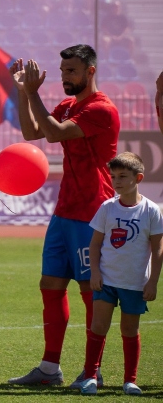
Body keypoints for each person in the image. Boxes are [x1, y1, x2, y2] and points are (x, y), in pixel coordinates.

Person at [7, 45, 120, 387]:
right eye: (62, 72)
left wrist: (33, 93)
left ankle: (92, 371)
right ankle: (49, 368)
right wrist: (21, 93)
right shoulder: (69, 106)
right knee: (50, 287)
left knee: (91, 291)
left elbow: (53, 133)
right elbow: (32, 133)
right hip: (64, 211)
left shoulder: (102, 109)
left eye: (71, 71)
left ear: (90, 71)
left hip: (93, 212)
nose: (65, 77)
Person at [79, 152, 163, 396]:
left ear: (138, 178)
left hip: (135, 283)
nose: (116, 181)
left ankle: (130, 380)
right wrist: (94, 272)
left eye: (123, 176)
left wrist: (153, 282)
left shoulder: (151, 211)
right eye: (113, 176)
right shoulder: (107, 208)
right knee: (98, 327)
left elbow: (158, 248)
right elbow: (95, 244)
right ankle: (91, 377)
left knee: (129, 330)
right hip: (106, 280)